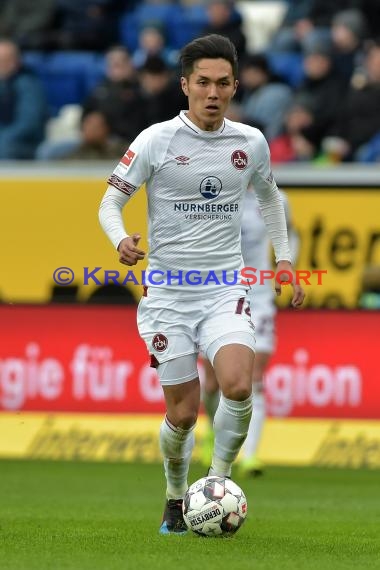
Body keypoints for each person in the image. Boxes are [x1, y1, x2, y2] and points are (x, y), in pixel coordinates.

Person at [98, 34, 305, 535]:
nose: (213, 93)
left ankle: (216, 484)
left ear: (235, 86)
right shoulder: (156, 140)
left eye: (223, 83)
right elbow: (109, 202)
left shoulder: (249, 142)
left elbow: (272, 200)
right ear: (185, 84)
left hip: (224, 288)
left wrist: (285, 259)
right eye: (203, 83)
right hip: (169, 293)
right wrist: (121, 239)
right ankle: (175, 494)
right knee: (185, 414)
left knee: (237, 384)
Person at [201, 186, 299, 476]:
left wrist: (287, 262)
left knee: (255, 376)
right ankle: (213, 431)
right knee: (212, 382)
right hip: (218, 294)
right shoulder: (212, 191)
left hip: (259, 297)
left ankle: (250, 456)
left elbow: (291, 232)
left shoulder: (276, 199)